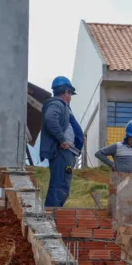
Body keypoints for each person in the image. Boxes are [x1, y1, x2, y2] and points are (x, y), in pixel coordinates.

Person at [40, 76, 84, 207]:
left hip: (67, 154)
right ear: (66, 92)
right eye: (70, 94)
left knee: (63, 185)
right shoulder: (57, 104)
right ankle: (51, 218)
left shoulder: (62, 106)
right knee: (59, 185)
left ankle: (54, 216)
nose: (70, 97)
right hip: (62, 153)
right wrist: (62, 139)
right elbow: (50, 118)